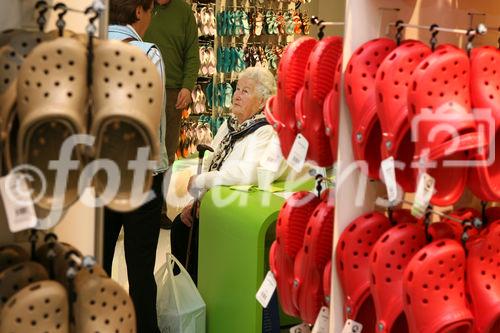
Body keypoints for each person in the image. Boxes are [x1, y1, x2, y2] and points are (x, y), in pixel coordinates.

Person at [170, 67, 287, 283]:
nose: (236, 95)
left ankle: (194, 301)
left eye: (245, 91)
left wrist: (203, 182)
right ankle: (184, 299)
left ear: (261, 102)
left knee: (189, 238)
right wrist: (196, 201)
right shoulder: (230, 125)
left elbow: (246, 172)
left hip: (231, 209)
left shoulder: (265, 131)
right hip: (211, 203)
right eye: (237, 88)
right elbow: (210, 162)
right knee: (180, 228)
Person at [105, 1, 168, 333]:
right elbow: (150, 121)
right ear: (139, 11)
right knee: (140, 269)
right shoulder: (147, 54)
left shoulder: (88, 47)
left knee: (96, 264)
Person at [144, 0, 200, 166]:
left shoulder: (184, 11)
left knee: (167, 149)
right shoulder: (141, 7)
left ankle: (162, 189)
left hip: (172, 91)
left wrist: (187, 86)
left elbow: (192, 52)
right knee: (140, 144)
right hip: (142, 88)